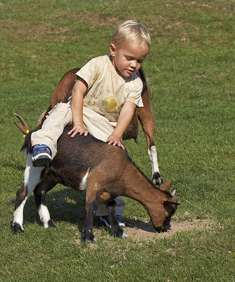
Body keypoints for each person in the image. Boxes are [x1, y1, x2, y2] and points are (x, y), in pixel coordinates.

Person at [30, 20, 151, 228]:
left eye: (139, 61)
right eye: (129, 58)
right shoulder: (98, 65)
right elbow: (77, 90)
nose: (134, 65)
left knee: (115, 163)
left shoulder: (135, 83)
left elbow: (128, 111)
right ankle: (43, 146)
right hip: (80, 110)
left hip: (105, 123)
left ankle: (110, 210)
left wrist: (117, 135)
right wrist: (77, 121)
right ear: (113, 50)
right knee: (58, 112)